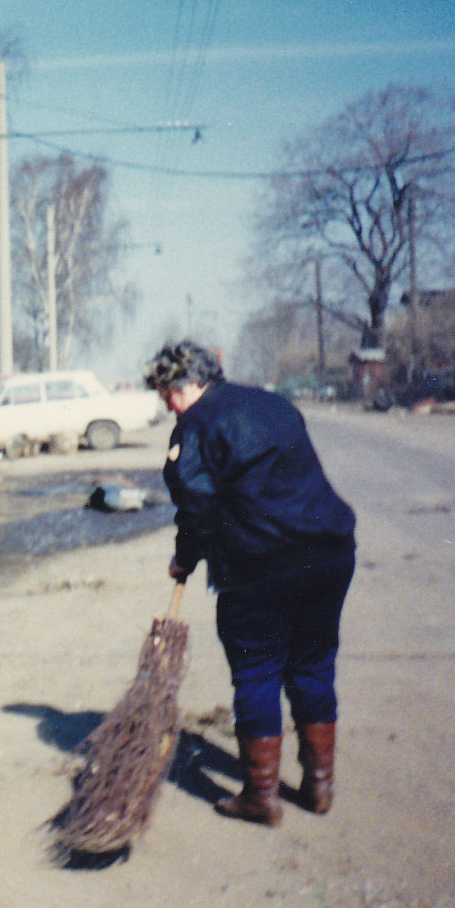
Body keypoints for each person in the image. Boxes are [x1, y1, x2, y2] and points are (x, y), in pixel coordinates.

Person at [145, 341, 357, 827]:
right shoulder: (271, 402)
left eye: (165, 393)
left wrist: (185, 557)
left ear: (183, 383)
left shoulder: (195, 425)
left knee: (257, 673)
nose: (165, 404)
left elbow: (196, 507)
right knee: (313, 665)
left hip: (261, 567)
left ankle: (262, 799)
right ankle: (319, 787)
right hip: (329, 554)